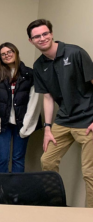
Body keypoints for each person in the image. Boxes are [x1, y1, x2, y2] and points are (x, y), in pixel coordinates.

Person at [28, 19, 93, 208]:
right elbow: (47, 97)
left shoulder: (75, 53)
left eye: (45, 33)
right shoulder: (39, 65)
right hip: (64, 119)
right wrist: (47, 128)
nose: (42, 38)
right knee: (47, 161)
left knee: (89, 172)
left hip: (88, 119)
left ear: (51, 33)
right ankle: (55, 207)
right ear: (31, 41)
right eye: (37, 36)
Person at [0, 42, 42, 201]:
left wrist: (27, 124)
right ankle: (1, 189)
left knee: (18, 158)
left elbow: (35, 100)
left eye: (9, 51)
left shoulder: (30, 74)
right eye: (3, 53)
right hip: (3, 122)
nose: (7, 55)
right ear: (0, 57)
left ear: (16, 53)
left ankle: (16, 190)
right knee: (3, 157)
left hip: (22, 122)